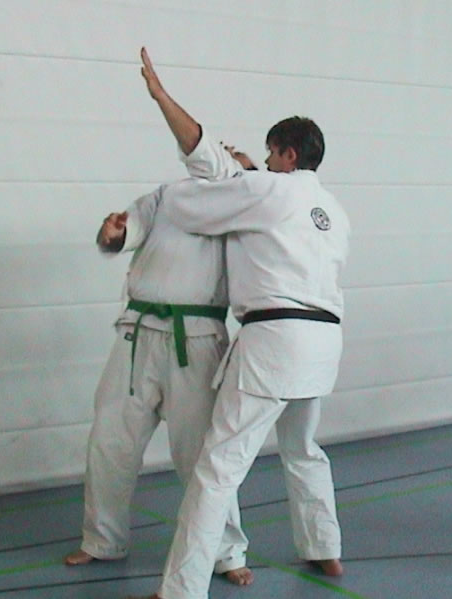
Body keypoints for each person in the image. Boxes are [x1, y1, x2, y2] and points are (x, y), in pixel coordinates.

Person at [129, 48, 351, 599]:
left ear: (288, 153)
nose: (266, 161)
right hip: (323, 343)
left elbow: (195, 191)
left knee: (218, 467)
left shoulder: (269, 188)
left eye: (272, 153)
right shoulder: (332, 210)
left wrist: (164, 100)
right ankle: (324, 547)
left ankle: (181, 588)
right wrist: (252, 176)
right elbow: (268, 204)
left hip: (275, 342)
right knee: (303, 448)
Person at [63, 172, 254, 586]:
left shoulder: (241, 200)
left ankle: (225, 550)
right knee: (110, 441)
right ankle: (103, 540)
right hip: (137, 332)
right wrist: (112, 234)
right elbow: (123, 233)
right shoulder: (166, 196)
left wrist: (250, 170)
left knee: (201, 452)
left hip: (197, 339)